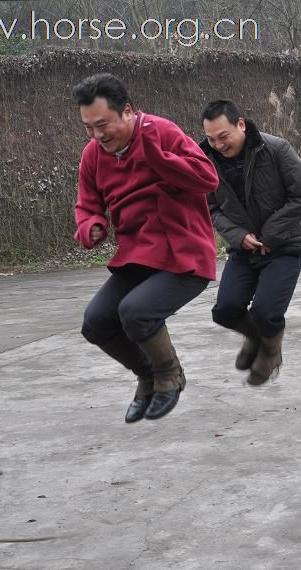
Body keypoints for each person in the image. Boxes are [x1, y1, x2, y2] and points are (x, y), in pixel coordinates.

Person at [73, 73, 219, 422]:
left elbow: (207, 178)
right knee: (95, 323)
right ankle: (147, 376)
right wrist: (90, 225)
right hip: (137, 257)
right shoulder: (94, 154)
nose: (97, 135)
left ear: (127, 112)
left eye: (103, 124)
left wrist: (159, 160)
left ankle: (170, 375)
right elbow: (87, 204)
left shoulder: (161, 132)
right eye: (89, 127)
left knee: (136, 312)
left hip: (184, 255)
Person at [200, 100, 301, 385]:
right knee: (225, 311)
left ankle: (271, 350)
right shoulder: (206, 160)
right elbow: (211, 208)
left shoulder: (275, 149)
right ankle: (256, 338)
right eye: (211, 139)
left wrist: (269, 234)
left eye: (223, 136)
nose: (218, 145)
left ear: (241, 124)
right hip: (243, 248)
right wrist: (239, 236)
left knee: (266, 312)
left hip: (284, 246)